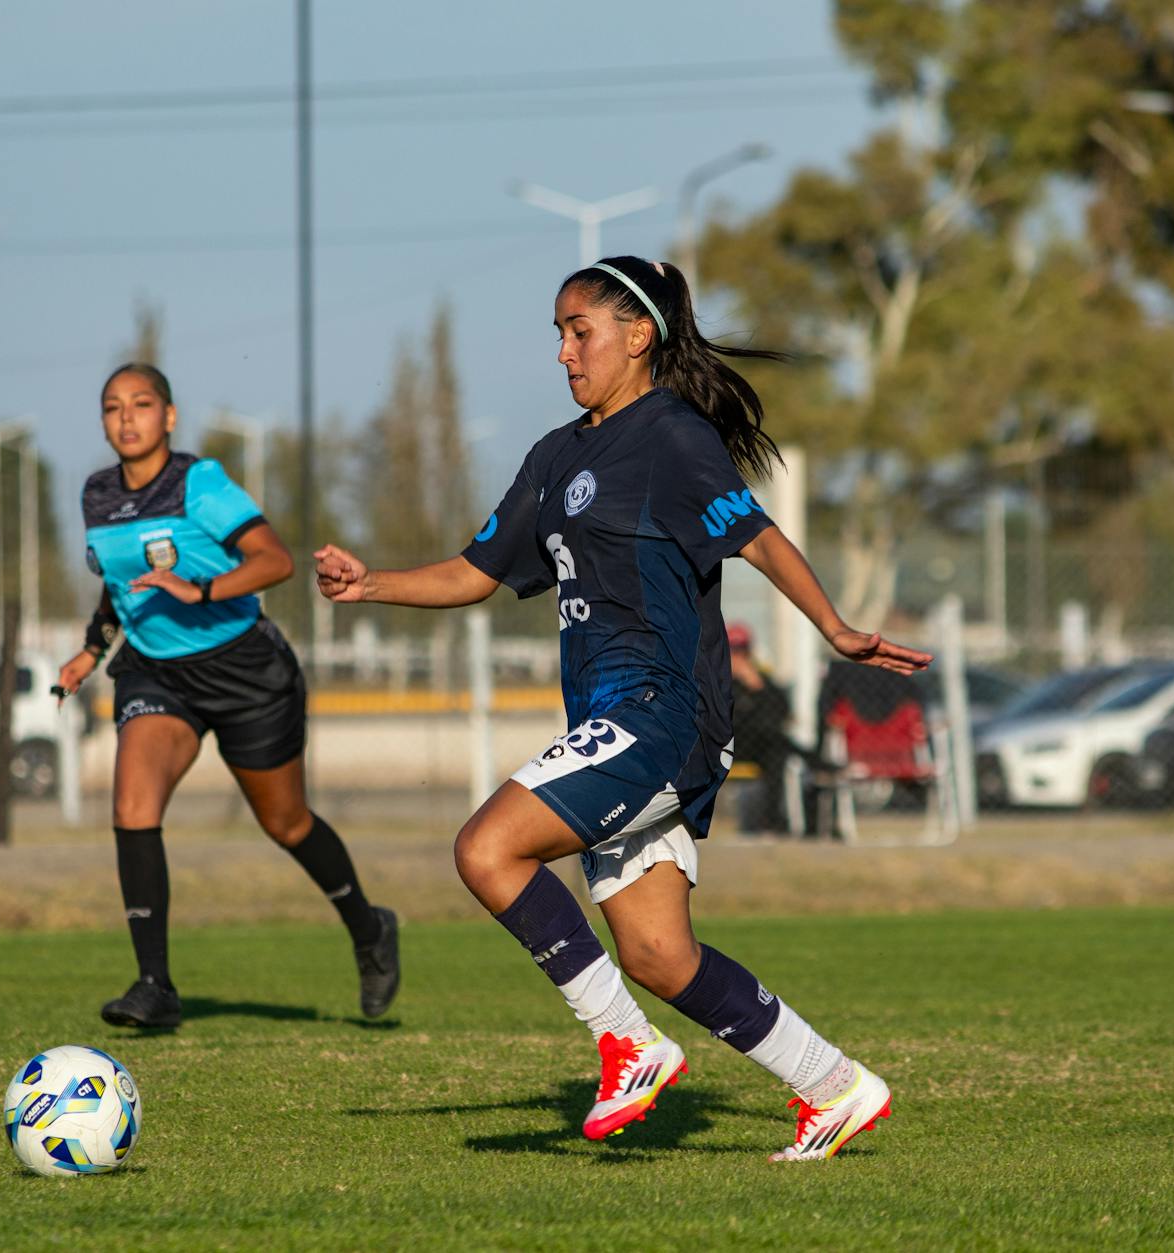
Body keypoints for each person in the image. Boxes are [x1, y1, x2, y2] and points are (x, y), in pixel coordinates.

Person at [314, 257, 931, 1161]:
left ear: (638, 337)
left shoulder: (673, 437)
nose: (565, 351)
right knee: (654, 955)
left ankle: (630, 1044)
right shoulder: (555, 455)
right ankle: (835, 1084)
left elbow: (755, 537)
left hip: (665, 714)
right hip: (607, 720)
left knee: (487, 847)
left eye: (580, 330)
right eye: (559, 334)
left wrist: (835, 627)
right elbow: (476, 572)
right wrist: (371, 587)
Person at [57, 362, 400, 1027]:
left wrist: (201, 589)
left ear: (169, 415)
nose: (126, 418)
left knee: (287, 823)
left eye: (142, 403)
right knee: (132, 802)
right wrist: (90, 650)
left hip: (245, 669)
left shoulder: (198, 482)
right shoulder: (96, 495)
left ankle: (369, 926)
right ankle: (154, 984)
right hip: (158, 672)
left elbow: (275, 559)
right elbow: (121, 584)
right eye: (112, 407)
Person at [727, 622, 793, 835]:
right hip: (721, 744)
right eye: (732, 650)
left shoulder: (760, 678)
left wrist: (756, 686)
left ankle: (771, 820)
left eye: (742, 650)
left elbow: (783, 711)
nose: (737, 656)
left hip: (757, 745)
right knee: (781, 742)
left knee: (777, 749)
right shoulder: (712, 678)